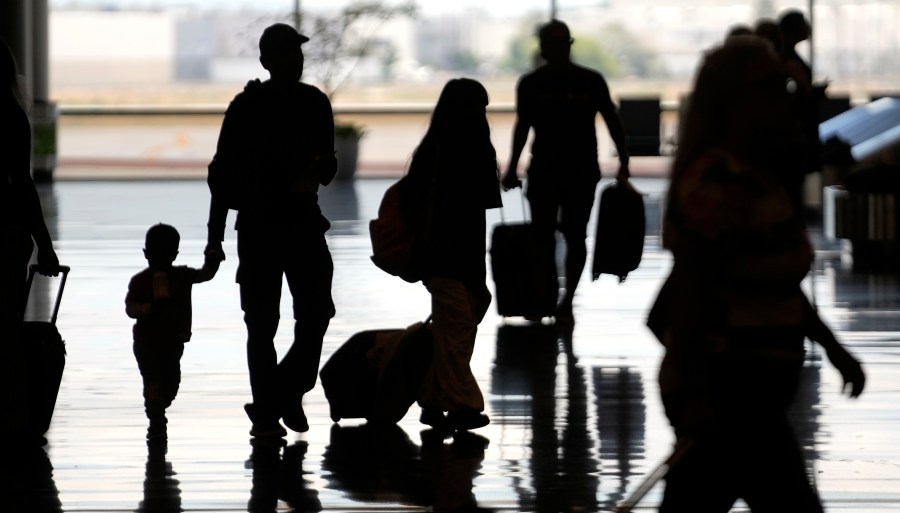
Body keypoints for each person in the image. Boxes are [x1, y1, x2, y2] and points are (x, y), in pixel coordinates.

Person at [648, 37, 864, 512]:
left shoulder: (755, 177)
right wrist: (696, 391)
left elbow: (772, 284)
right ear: (734, 101)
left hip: (754, 393)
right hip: (732, 392)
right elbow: (693, 291)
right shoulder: (721, 183)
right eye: (772, 85)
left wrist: (832, 347)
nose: (784, 95)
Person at [204, 23, 337, 438]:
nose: (294, 61)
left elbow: (220, 177)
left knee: (264, 323)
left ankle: (271, 400)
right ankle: (284, 393)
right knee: (310, 315)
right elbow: (329, 168)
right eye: (288, 54)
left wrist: (215, 237)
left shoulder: (247, 106)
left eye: (295, 54)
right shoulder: (313, 103)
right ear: (268, 60)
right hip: (297, 221)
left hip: (261, 225)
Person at [500, 19, 631, 324]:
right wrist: (624, 160)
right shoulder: (590, 81)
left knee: (545, 237)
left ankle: (548, 297)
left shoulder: (532, 84)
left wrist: (512, 168)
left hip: (548, 169)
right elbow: (612, 121)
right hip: (579, 170)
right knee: (573, 236)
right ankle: (565, 301)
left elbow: (523, 127)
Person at [400, 78, 502, 432]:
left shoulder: (435, 152)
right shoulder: (473, 152)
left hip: (443, 255)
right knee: (458, 326)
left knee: (453, 327)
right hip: (454, 255)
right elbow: (480, 206)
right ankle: (463, 404)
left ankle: (431, 396)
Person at [1, 37, 60, 443]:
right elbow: (21, 184)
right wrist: (45, 242)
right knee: (7, 327)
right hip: (5, 231)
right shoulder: (10, 116)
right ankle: (15, 419)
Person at [125, 223, 219, 440]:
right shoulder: (141, 281)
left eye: (164, 253)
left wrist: (213, 256)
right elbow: (131, 308)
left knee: (170, 381)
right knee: (153, 377)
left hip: (172, 341)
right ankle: (155, 412)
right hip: (147, 342)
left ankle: (157, 404)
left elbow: (206, 274)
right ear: (147, 254)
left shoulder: (183, 276)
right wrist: (146, 309)